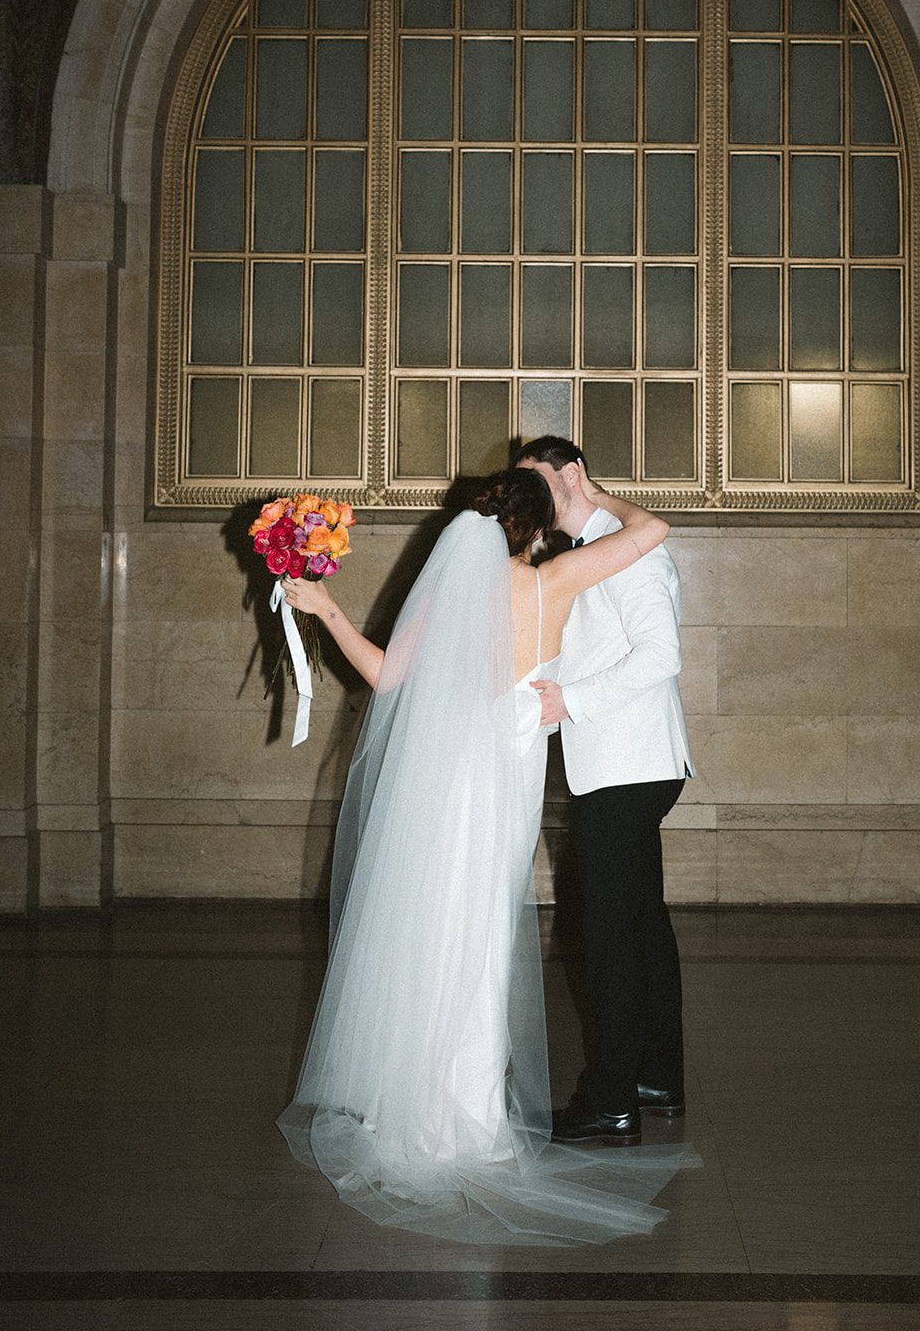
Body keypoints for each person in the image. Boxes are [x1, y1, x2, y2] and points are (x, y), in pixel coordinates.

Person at [274, 466, 695, 1244]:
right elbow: (655, 532)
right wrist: (597, 496)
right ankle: (468, 1116)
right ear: (536, 529)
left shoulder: (444, 593)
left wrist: (325, 606)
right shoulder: (553, 581)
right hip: (500, 787)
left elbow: (384, 676)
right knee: (482, 939)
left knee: (431, 934)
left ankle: (415, 1111)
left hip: (437, 784)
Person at [515, 438, 693, 1148]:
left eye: (541, 486)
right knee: (642, 928)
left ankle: (611, 1099)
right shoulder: (596, 546)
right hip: (625, 765)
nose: (533, 503)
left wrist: (572, 702)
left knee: (610, 938)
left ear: (575, 475)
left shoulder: (626, 546)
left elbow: (662, 654)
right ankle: (656, 1075)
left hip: (628, 766)